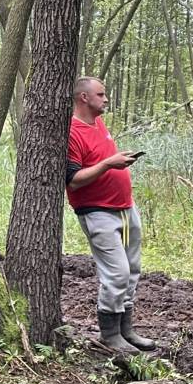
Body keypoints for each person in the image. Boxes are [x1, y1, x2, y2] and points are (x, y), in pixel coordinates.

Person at [66, 76, 156, 355]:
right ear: (84, 98)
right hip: (98, 211)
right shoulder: (72, 131)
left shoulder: (98, 123)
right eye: (101, 94)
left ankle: (126, 330)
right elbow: (73, 180)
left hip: (125, 209)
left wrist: (118, 161)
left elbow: (102, 161)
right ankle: (110, 335)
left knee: (132, 270)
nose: (106, 99)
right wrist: (109, 163)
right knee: (117, 273)